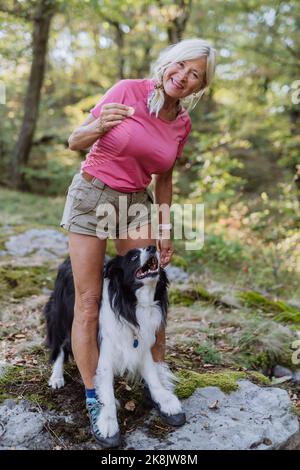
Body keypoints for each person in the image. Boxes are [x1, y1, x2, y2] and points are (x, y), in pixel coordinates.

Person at [61, 37, 216, 444]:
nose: (183, 76)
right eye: (180, 66)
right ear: (167, 64)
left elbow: (164, 177)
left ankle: (156, 379)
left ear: (199, 86)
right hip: (93, 194)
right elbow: (75, 141)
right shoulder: (127, 90)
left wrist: (164, 229)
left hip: (135, 202)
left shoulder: (182, 123)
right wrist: (98, 126)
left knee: (154, 285)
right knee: (90, 301)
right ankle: (97, 397)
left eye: (194, 74)